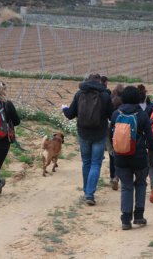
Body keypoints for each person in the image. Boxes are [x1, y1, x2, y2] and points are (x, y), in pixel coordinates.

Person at [110, 86, 153, 230]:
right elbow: (151, 139)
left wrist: (114, 152)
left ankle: (125, 219)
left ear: (123, 98)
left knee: (126, 187)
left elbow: (110, 135)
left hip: (120, 157)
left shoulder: (115, 114)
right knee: (140, 184)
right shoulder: (142, 115)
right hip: (139, 157)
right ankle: (139, 216)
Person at [62, 74, 113, 206]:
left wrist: (64, 109)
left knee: (86, 163)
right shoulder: (105, 95)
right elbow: (111, 115)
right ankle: (90, 194)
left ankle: (86, 191)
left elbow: (70, 115)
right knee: (96, 163)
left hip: (83, 133)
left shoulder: (79, 94)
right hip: (100, 133)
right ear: (99, 82)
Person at [108, 84, 124, 190]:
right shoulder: (124, 102)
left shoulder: (110, 100)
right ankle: (119, 176)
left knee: (112, 155)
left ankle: (112, 176)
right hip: (123, 129)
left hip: (110, 129)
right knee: (122, 155)